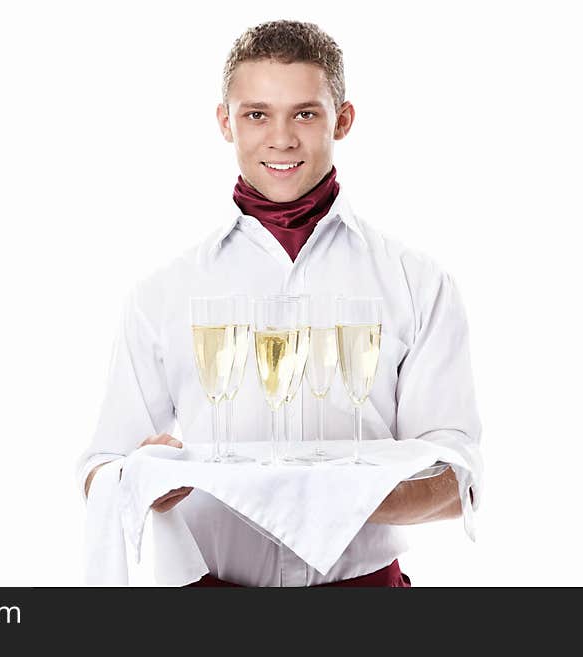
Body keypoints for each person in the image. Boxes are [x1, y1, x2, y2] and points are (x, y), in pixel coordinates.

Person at [76, 19, 482, 587]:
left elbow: (455, 484)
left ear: (342, 119)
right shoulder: (162, 292)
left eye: (306, 114)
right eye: (257, 114)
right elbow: (101, 470)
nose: (282, 138)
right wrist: (142, 481)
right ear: (226, 122)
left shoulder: (416, 281)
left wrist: (331, 496)